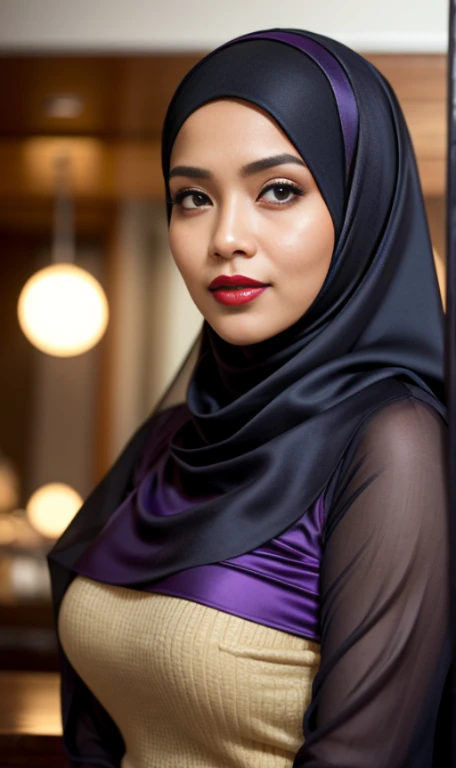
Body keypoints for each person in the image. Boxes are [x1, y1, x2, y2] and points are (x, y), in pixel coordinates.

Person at [48, 28, 451, 768]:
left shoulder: (394, 443)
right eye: (193, 197)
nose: (226, 237)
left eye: (279, 190)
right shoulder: (172, 440)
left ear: (362, 208)